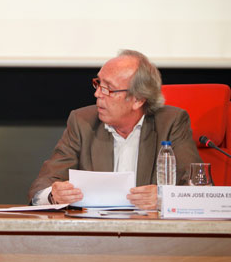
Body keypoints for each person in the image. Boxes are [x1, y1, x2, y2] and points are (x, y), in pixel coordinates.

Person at [28, 49, 202, 210]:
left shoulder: (171, 123)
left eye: (108, 88)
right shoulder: (82, 122)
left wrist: (163, 199)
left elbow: (198, 189)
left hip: (151, 234)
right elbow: (42, 185)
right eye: (98, 84)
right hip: (94, 233)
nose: (97, 94)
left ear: (138, 100)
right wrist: (53, 195)